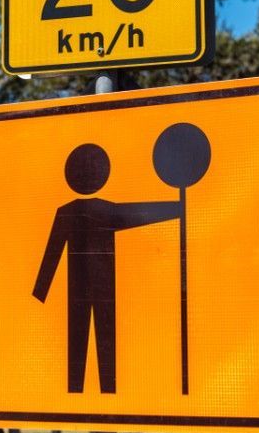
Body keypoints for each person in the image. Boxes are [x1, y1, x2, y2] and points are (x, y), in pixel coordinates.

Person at [32, 142, 180, 394]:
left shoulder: (74, 211)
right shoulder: (99, 210)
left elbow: (138, 212)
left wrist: (178, 208)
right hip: (93, 287)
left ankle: (89, 390)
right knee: (96, 339)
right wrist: (177, 208)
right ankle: (94, 390)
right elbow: (52, 252)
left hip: (92, 287)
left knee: (93, 340)